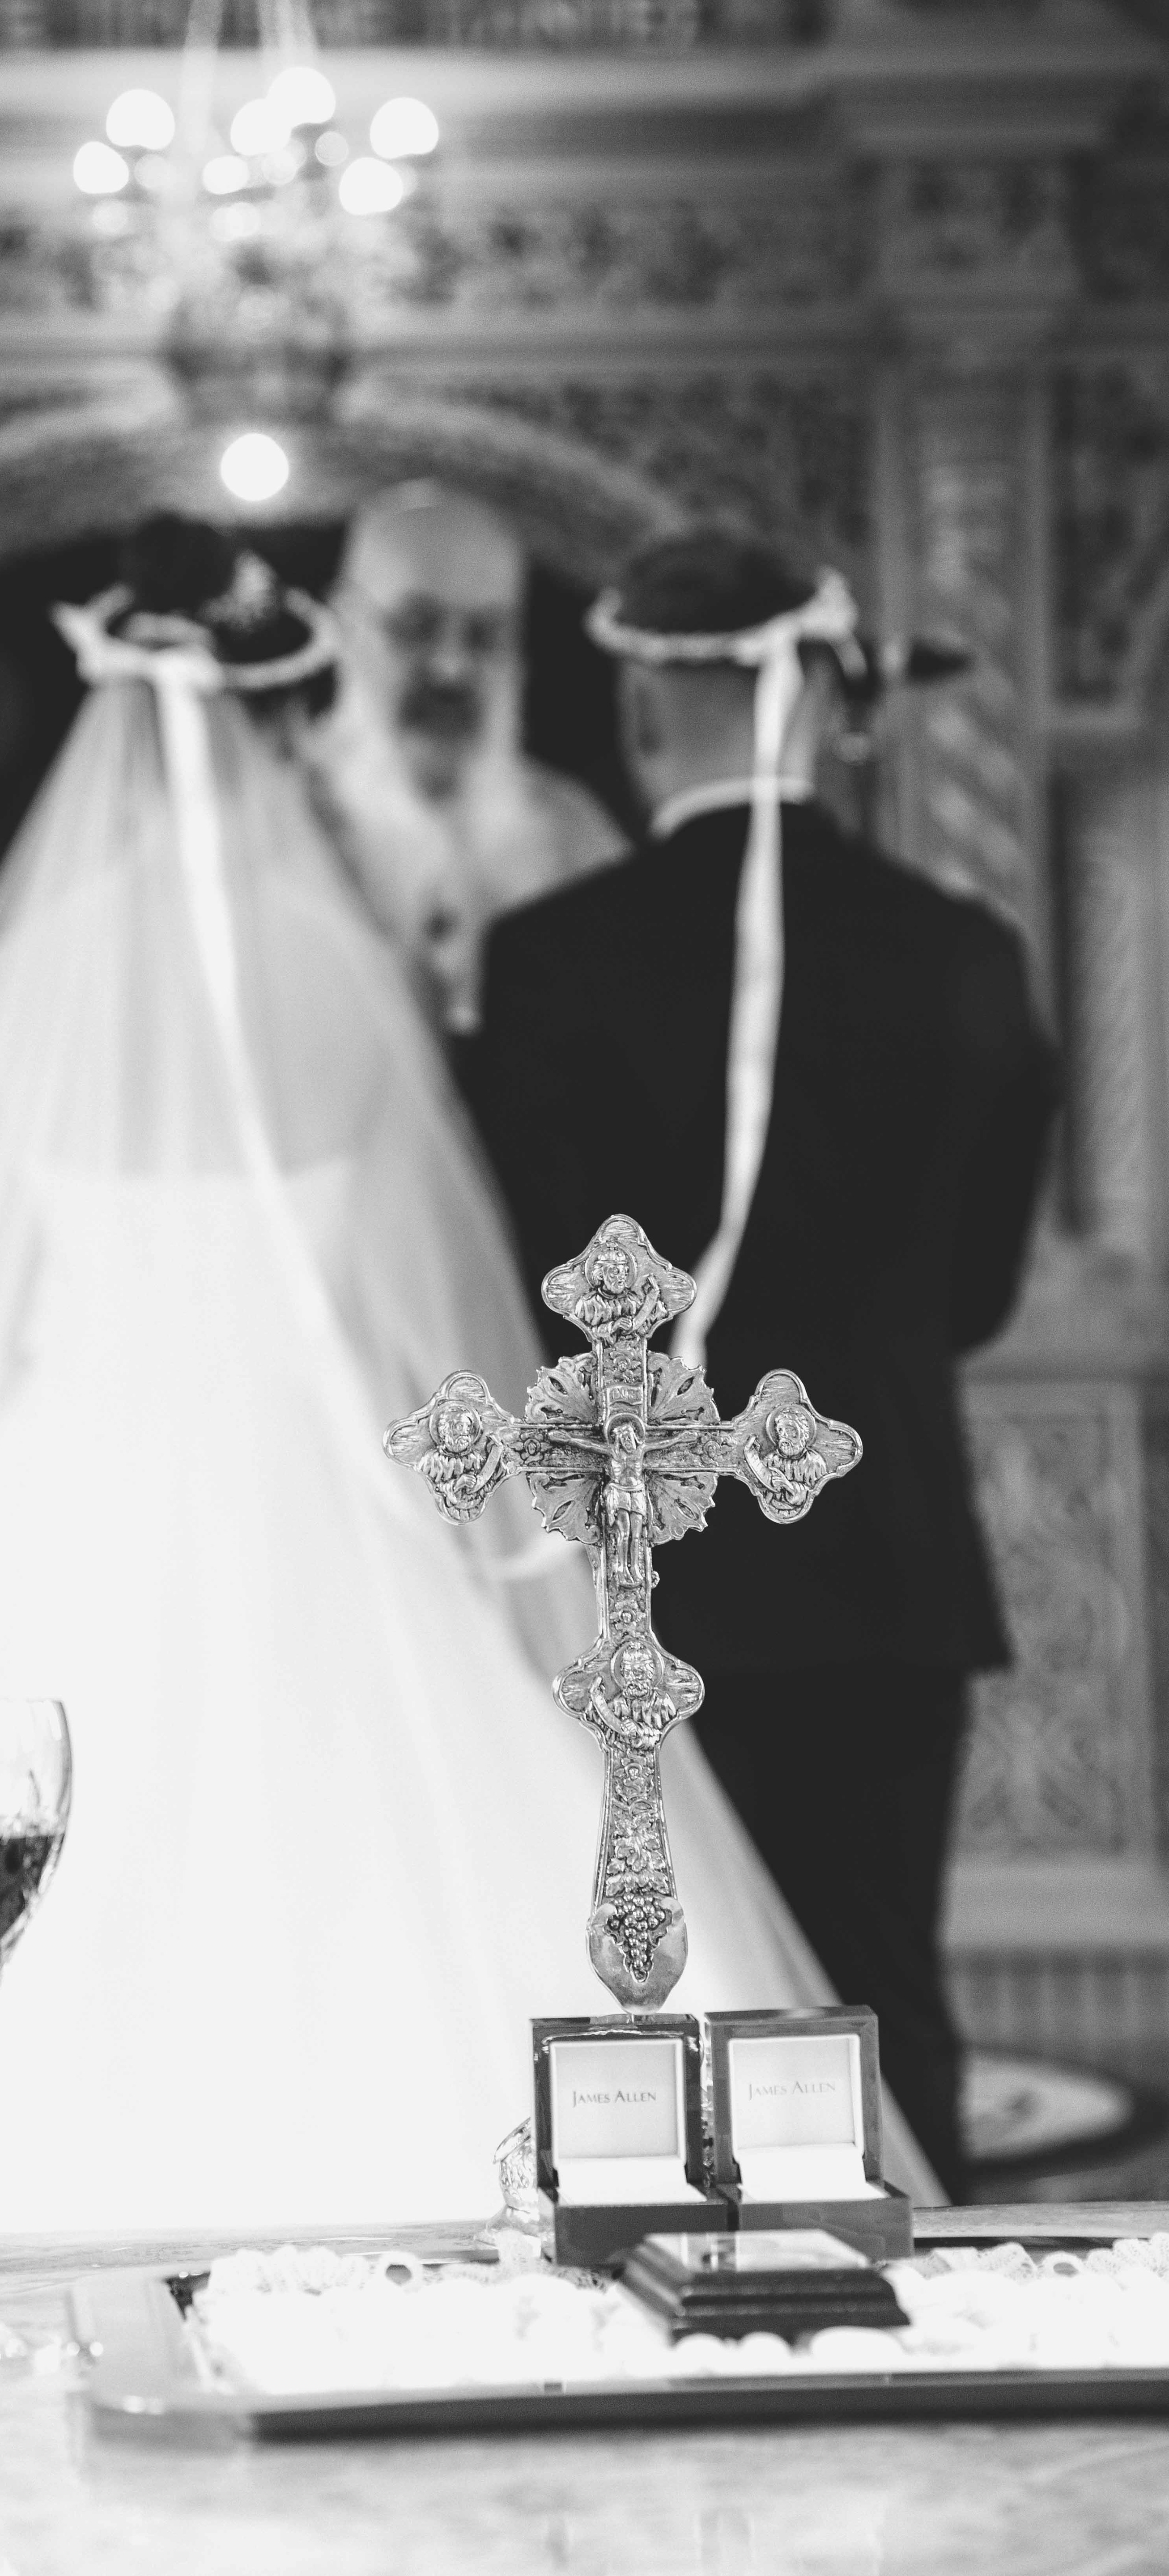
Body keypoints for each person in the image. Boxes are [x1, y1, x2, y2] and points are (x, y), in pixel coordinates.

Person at [0, 514, 934, 2239]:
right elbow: (425, 1323)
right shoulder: (341, 984)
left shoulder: (14, 987)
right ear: (289, 723)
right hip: (321, 1513)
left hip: (51, 1495)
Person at [463, 525, 1061, 2199]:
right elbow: (977, 1291)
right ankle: (920, 2355)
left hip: (637, 1585)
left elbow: (527, 1285)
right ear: (822, 702)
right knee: (875, 1991)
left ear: (647, 701)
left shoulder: (547, 961)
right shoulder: (965, 950)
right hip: (881, 1561)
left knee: (639, 2011)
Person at [308, 482, 624, 1035]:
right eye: (416, 628)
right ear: (345, 620)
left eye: (485, 637)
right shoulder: (281, 811)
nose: (452, 668)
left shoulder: (576, 834)